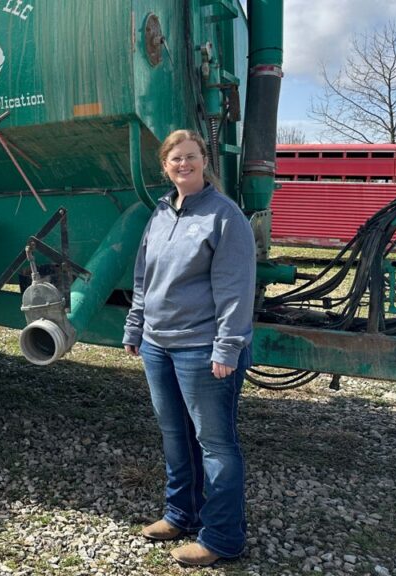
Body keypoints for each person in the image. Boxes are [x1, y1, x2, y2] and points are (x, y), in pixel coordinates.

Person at [122, 129, 256, 567]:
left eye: (191, 157)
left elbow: (236, 288)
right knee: (175, 436)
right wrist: (135, 327)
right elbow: (144, 277)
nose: (184, 164)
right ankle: (181, 513)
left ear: (204, 161)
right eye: (175, 158)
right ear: (165, 166)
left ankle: (222, 538)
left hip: (202, 349)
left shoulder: (224, 216)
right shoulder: (161, 212)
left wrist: (227, 348)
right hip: (159, 346)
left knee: (215, 444)